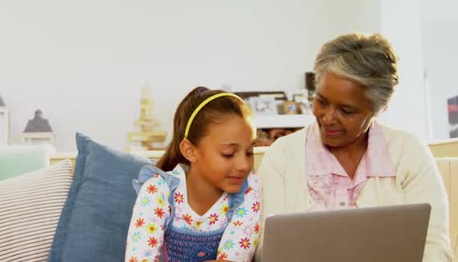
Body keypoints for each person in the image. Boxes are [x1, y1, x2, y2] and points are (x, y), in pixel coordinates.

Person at [255, 33, 453, 261]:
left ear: (379, 108)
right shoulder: (282, 156)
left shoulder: (409, 153)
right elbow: (265, 251)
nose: (328, 118)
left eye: (346, 111)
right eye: (322, 101)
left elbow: (435, 248)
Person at [125, 87, 262, 262]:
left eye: (249, 151)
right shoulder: (158, 192)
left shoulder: (248, 188)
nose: (244, 165)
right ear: (190, 151)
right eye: (228, 153)